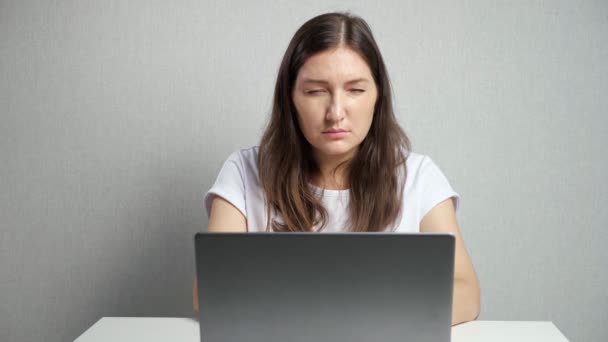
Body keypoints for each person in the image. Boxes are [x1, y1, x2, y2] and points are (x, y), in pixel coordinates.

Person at [194, 12, 480, 326]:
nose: (336, 113)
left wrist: (357, 318)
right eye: (316, 91)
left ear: (377, 97)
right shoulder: (243, 171)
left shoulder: (419, 177)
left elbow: (467, 294)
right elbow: (208, 293)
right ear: (290, 98)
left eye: (355, 90)